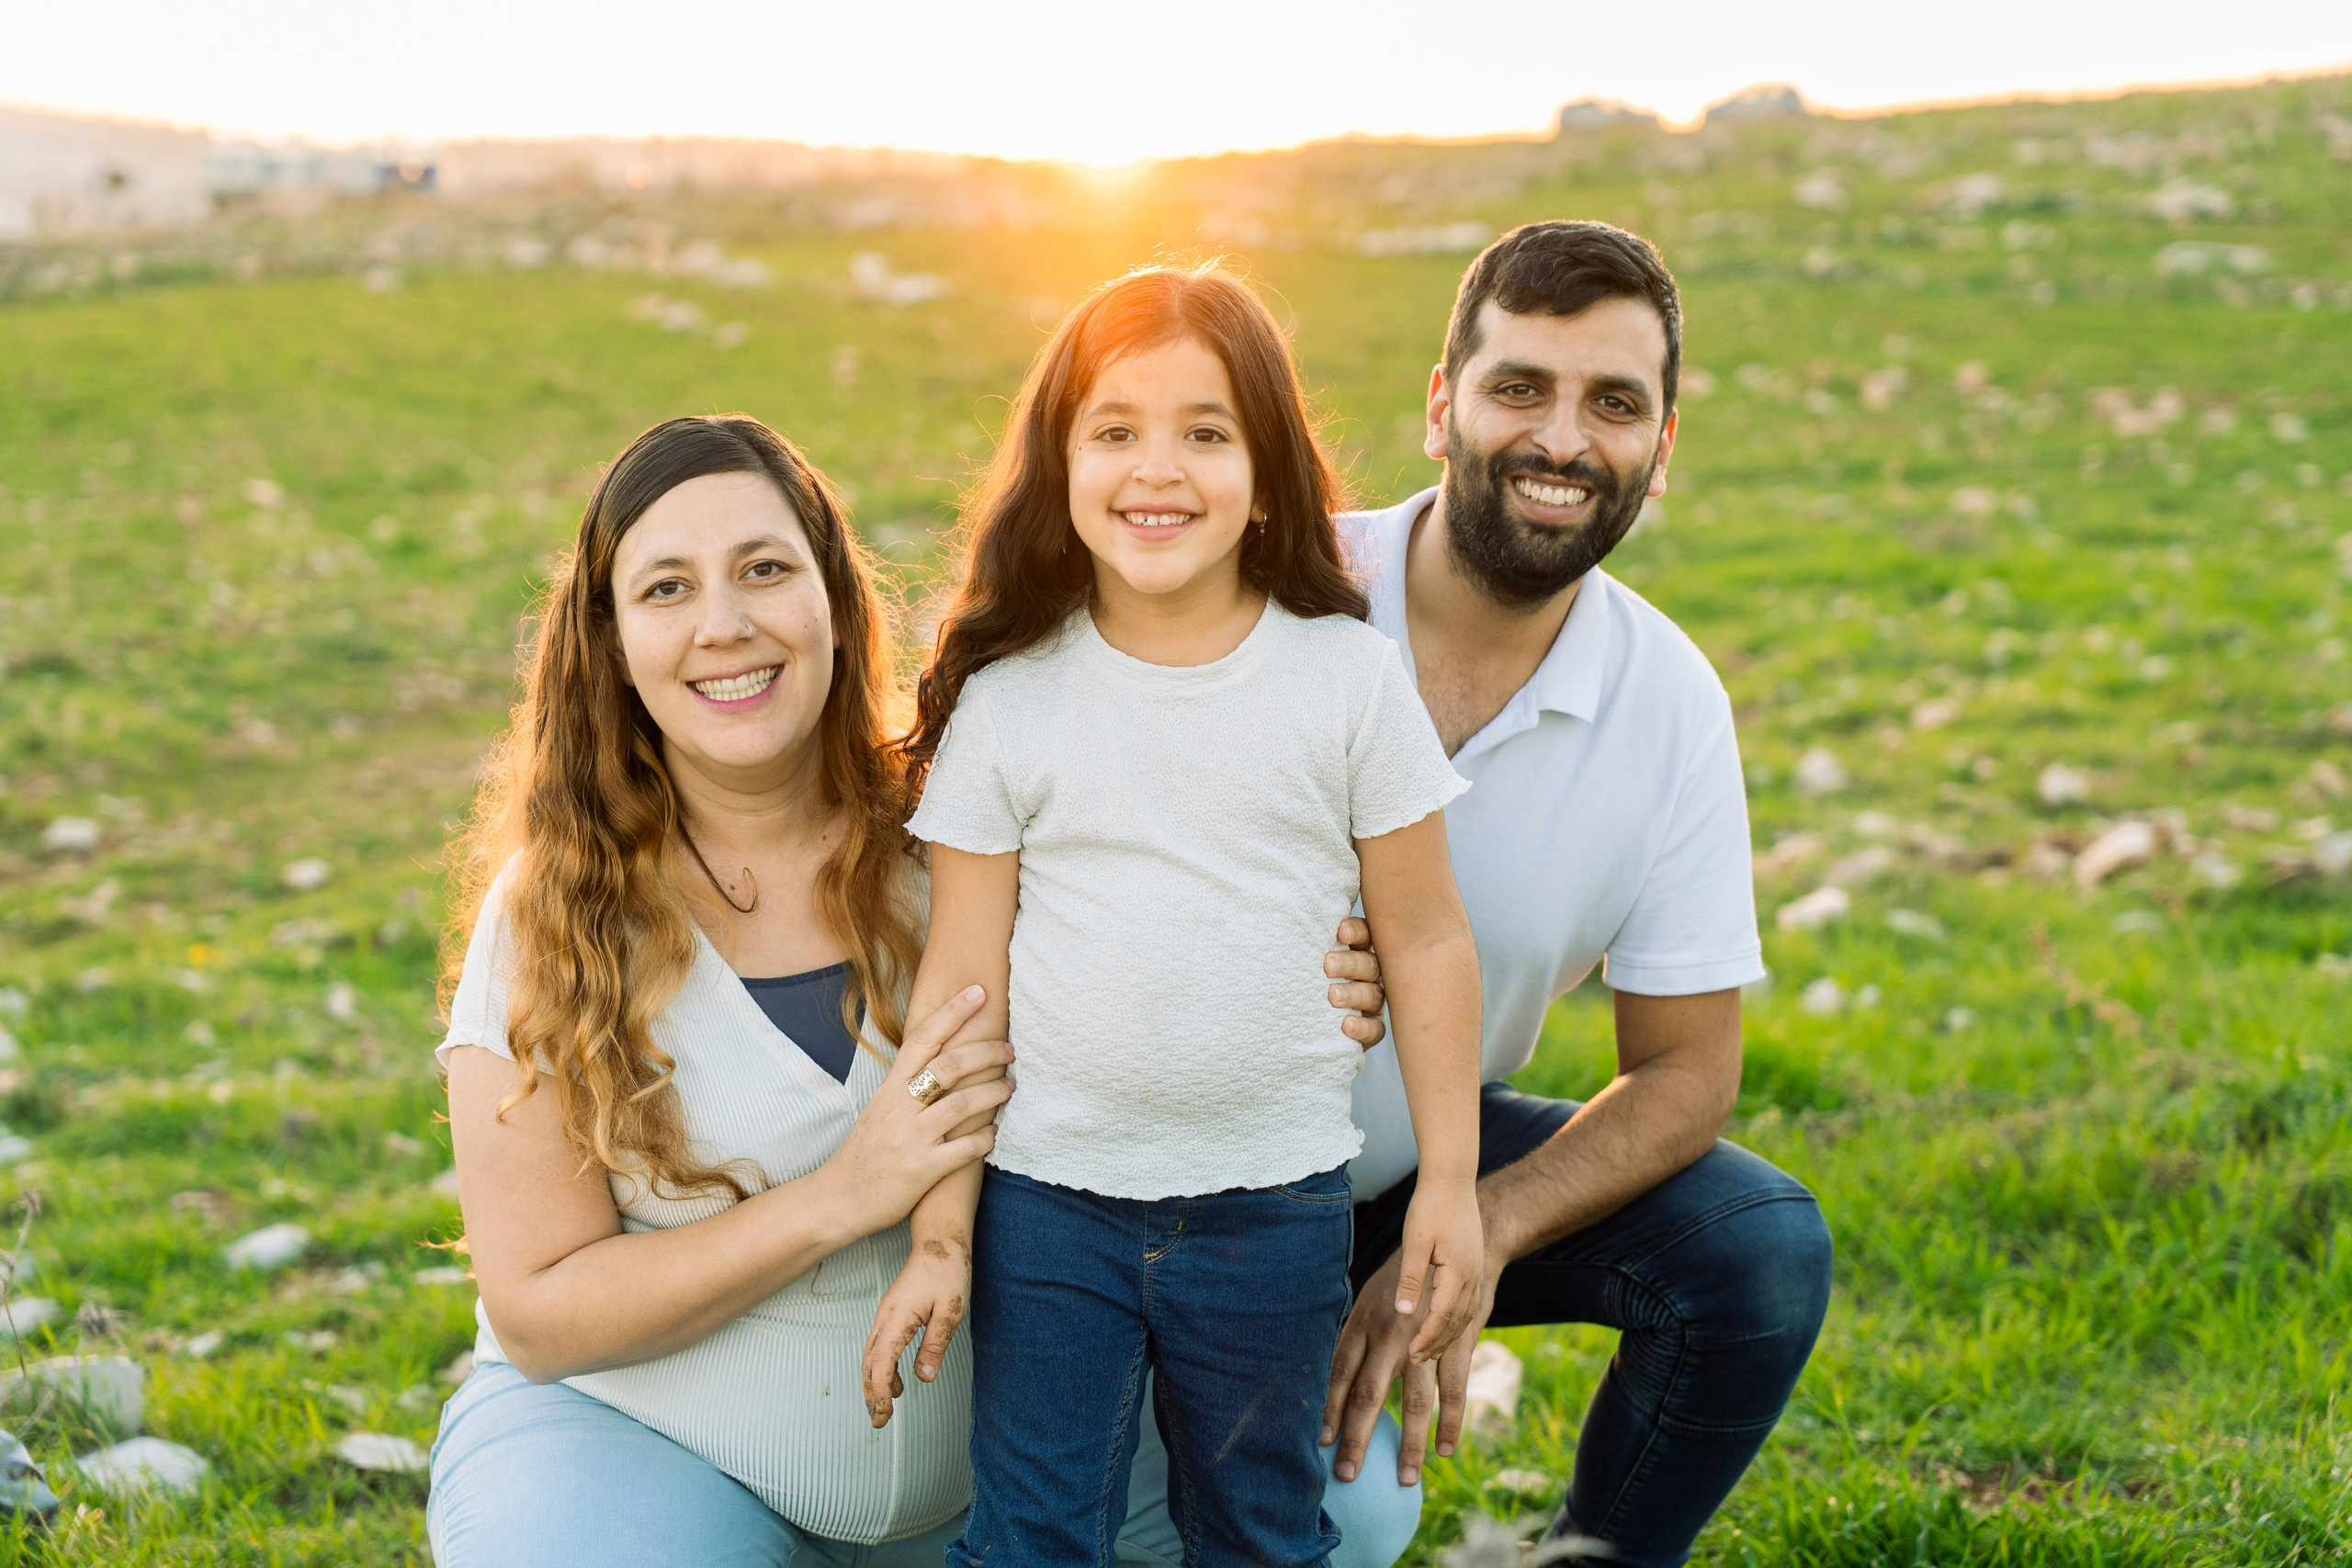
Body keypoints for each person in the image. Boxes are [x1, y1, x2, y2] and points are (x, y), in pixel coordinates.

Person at [424, 413, 1418, 1567]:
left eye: (764, 570)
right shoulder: (549, 915)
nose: (725, 625)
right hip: (662, 1446)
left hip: (1013, 1448)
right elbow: (540, 1312)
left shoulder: (972, 829)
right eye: (665, 589)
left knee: (1356, 1519)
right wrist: (843, 1196)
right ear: (609, 641)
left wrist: (1333, 965)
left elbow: (1201, 922)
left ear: (837, 601)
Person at [886, 263, 1486, 1568]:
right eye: (1116, 431)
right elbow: (961, 984)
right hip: (1047, 1203)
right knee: (1035, 1530)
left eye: (1205, 432)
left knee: (1261, 1532)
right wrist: (942, 1230)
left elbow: (1429, 935)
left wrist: (1449, 1176)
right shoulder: (1015, 698)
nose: (1157, 468)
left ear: (1267, 470)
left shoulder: (1344, 679)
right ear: (1060, 464)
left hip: (1273, 1204)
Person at [1320, 222, 1837, 1568]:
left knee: (1758, 1247)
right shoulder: (1288, 592)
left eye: (1614, 404)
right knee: (1334, 1521)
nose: (1562, 440)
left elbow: (1683, 1071)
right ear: (1442, 406)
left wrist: (1474, 1228)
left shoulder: (1669, 704)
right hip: (1166, 1168)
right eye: (1519, 388)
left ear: (1662, 447)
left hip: (1409, 1170)